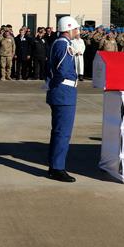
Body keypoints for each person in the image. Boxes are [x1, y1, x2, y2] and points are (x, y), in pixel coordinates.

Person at [45, 16, 81, 183]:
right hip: (64, 92)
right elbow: (62, 70)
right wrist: (56, 83)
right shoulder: (63, 44)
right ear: (69, 28)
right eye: (76, 28)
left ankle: (54, 165)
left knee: (59, 131)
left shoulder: (60, 43)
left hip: (61, 91)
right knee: (63, 133)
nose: (77, 31)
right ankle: (57, 168)